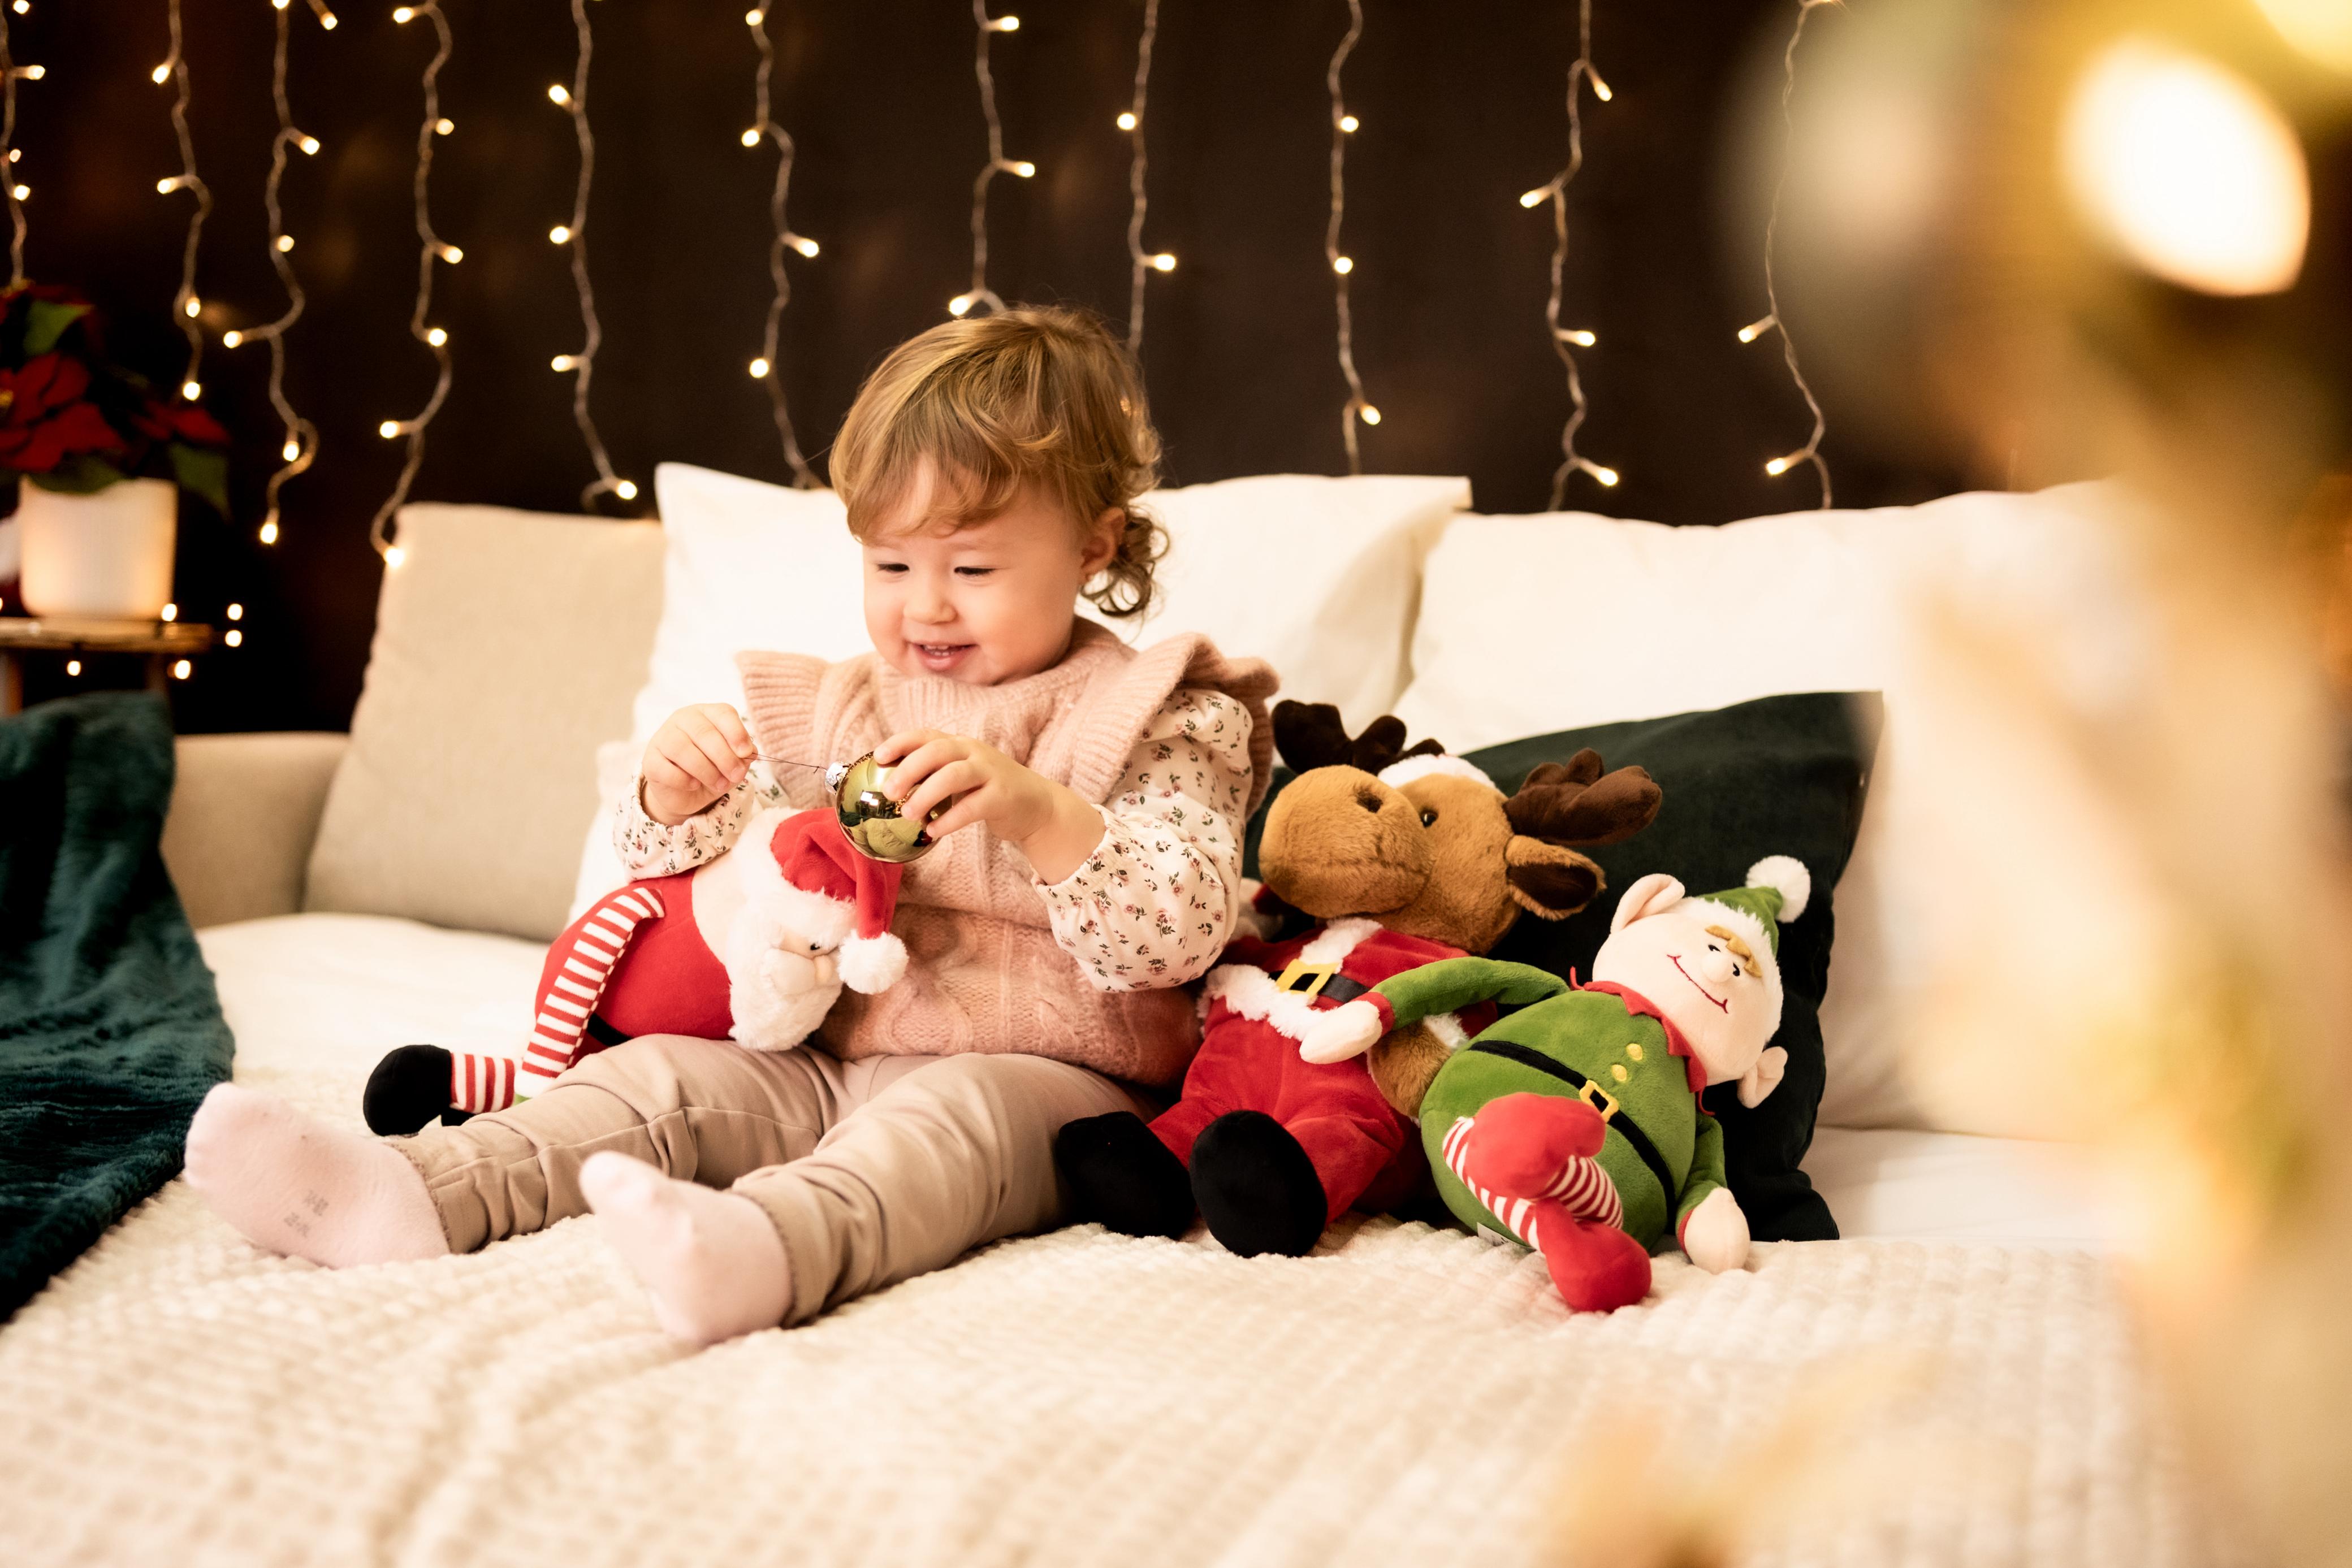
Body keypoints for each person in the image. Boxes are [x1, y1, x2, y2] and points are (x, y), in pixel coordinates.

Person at [183, 305, 1276, 1345]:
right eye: (891, 564)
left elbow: (1175, 934)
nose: (925, 605)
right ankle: (411, 1194)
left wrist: (1042, 812)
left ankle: (763, 1247)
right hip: (821, 1053)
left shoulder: (1163, 717)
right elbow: (736, 876)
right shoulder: (842, 706)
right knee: (647, 1080)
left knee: (941, 1133)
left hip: (1054, 1076)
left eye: (972, 568)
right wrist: (676, 794)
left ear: (1094, 546)